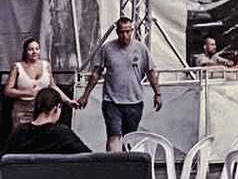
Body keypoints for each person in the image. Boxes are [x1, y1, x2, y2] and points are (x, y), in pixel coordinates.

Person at [78, 16, 162, 152]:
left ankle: (126, 167)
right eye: (122, 32)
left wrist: (157, 93)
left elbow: (151, 72)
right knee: (114, 136)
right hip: (111, 101)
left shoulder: (141, 49)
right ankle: (113, 168)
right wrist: (85, 95)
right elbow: (96, 73)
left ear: (132, 30)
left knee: (129, 138)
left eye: (128, 31)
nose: (125, 35)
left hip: (134, 102)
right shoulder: (107, 49)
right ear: (117, 32)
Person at [3, 37, 78, 128]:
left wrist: (68, 101)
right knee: (24, 138)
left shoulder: (46, 65)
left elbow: (53, 86)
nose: (34, 52)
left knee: (41, 138)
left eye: (37, 49)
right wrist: (28, 93)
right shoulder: (17, 67)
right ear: (25, 51)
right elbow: (8, 91)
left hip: (43, 111)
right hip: (22, 111)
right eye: (31, 49)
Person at [4, 87, 89, 154]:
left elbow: (5, 161)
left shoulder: (19, 133)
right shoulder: (63, 134)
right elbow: (90, 160)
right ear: (57, 107)